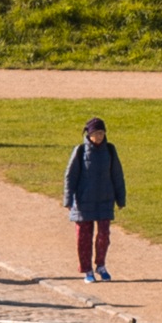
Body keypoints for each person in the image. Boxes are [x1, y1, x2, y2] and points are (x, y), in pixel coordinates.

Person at [64, 114, 127, 281]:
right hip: (84, 202)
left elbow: (117, 175)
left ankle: (101, 265)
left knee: (104, 236)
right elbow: (71, 176)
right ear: (88, 134)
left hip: (105, 201)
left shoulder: (110, 150)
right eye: (96, 133)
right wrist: (68, 200)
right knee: (84, 238)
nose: (99, 136)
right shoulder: (80, 151)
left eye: (102, 133)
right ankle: (87, 270)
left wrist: (121, 199)